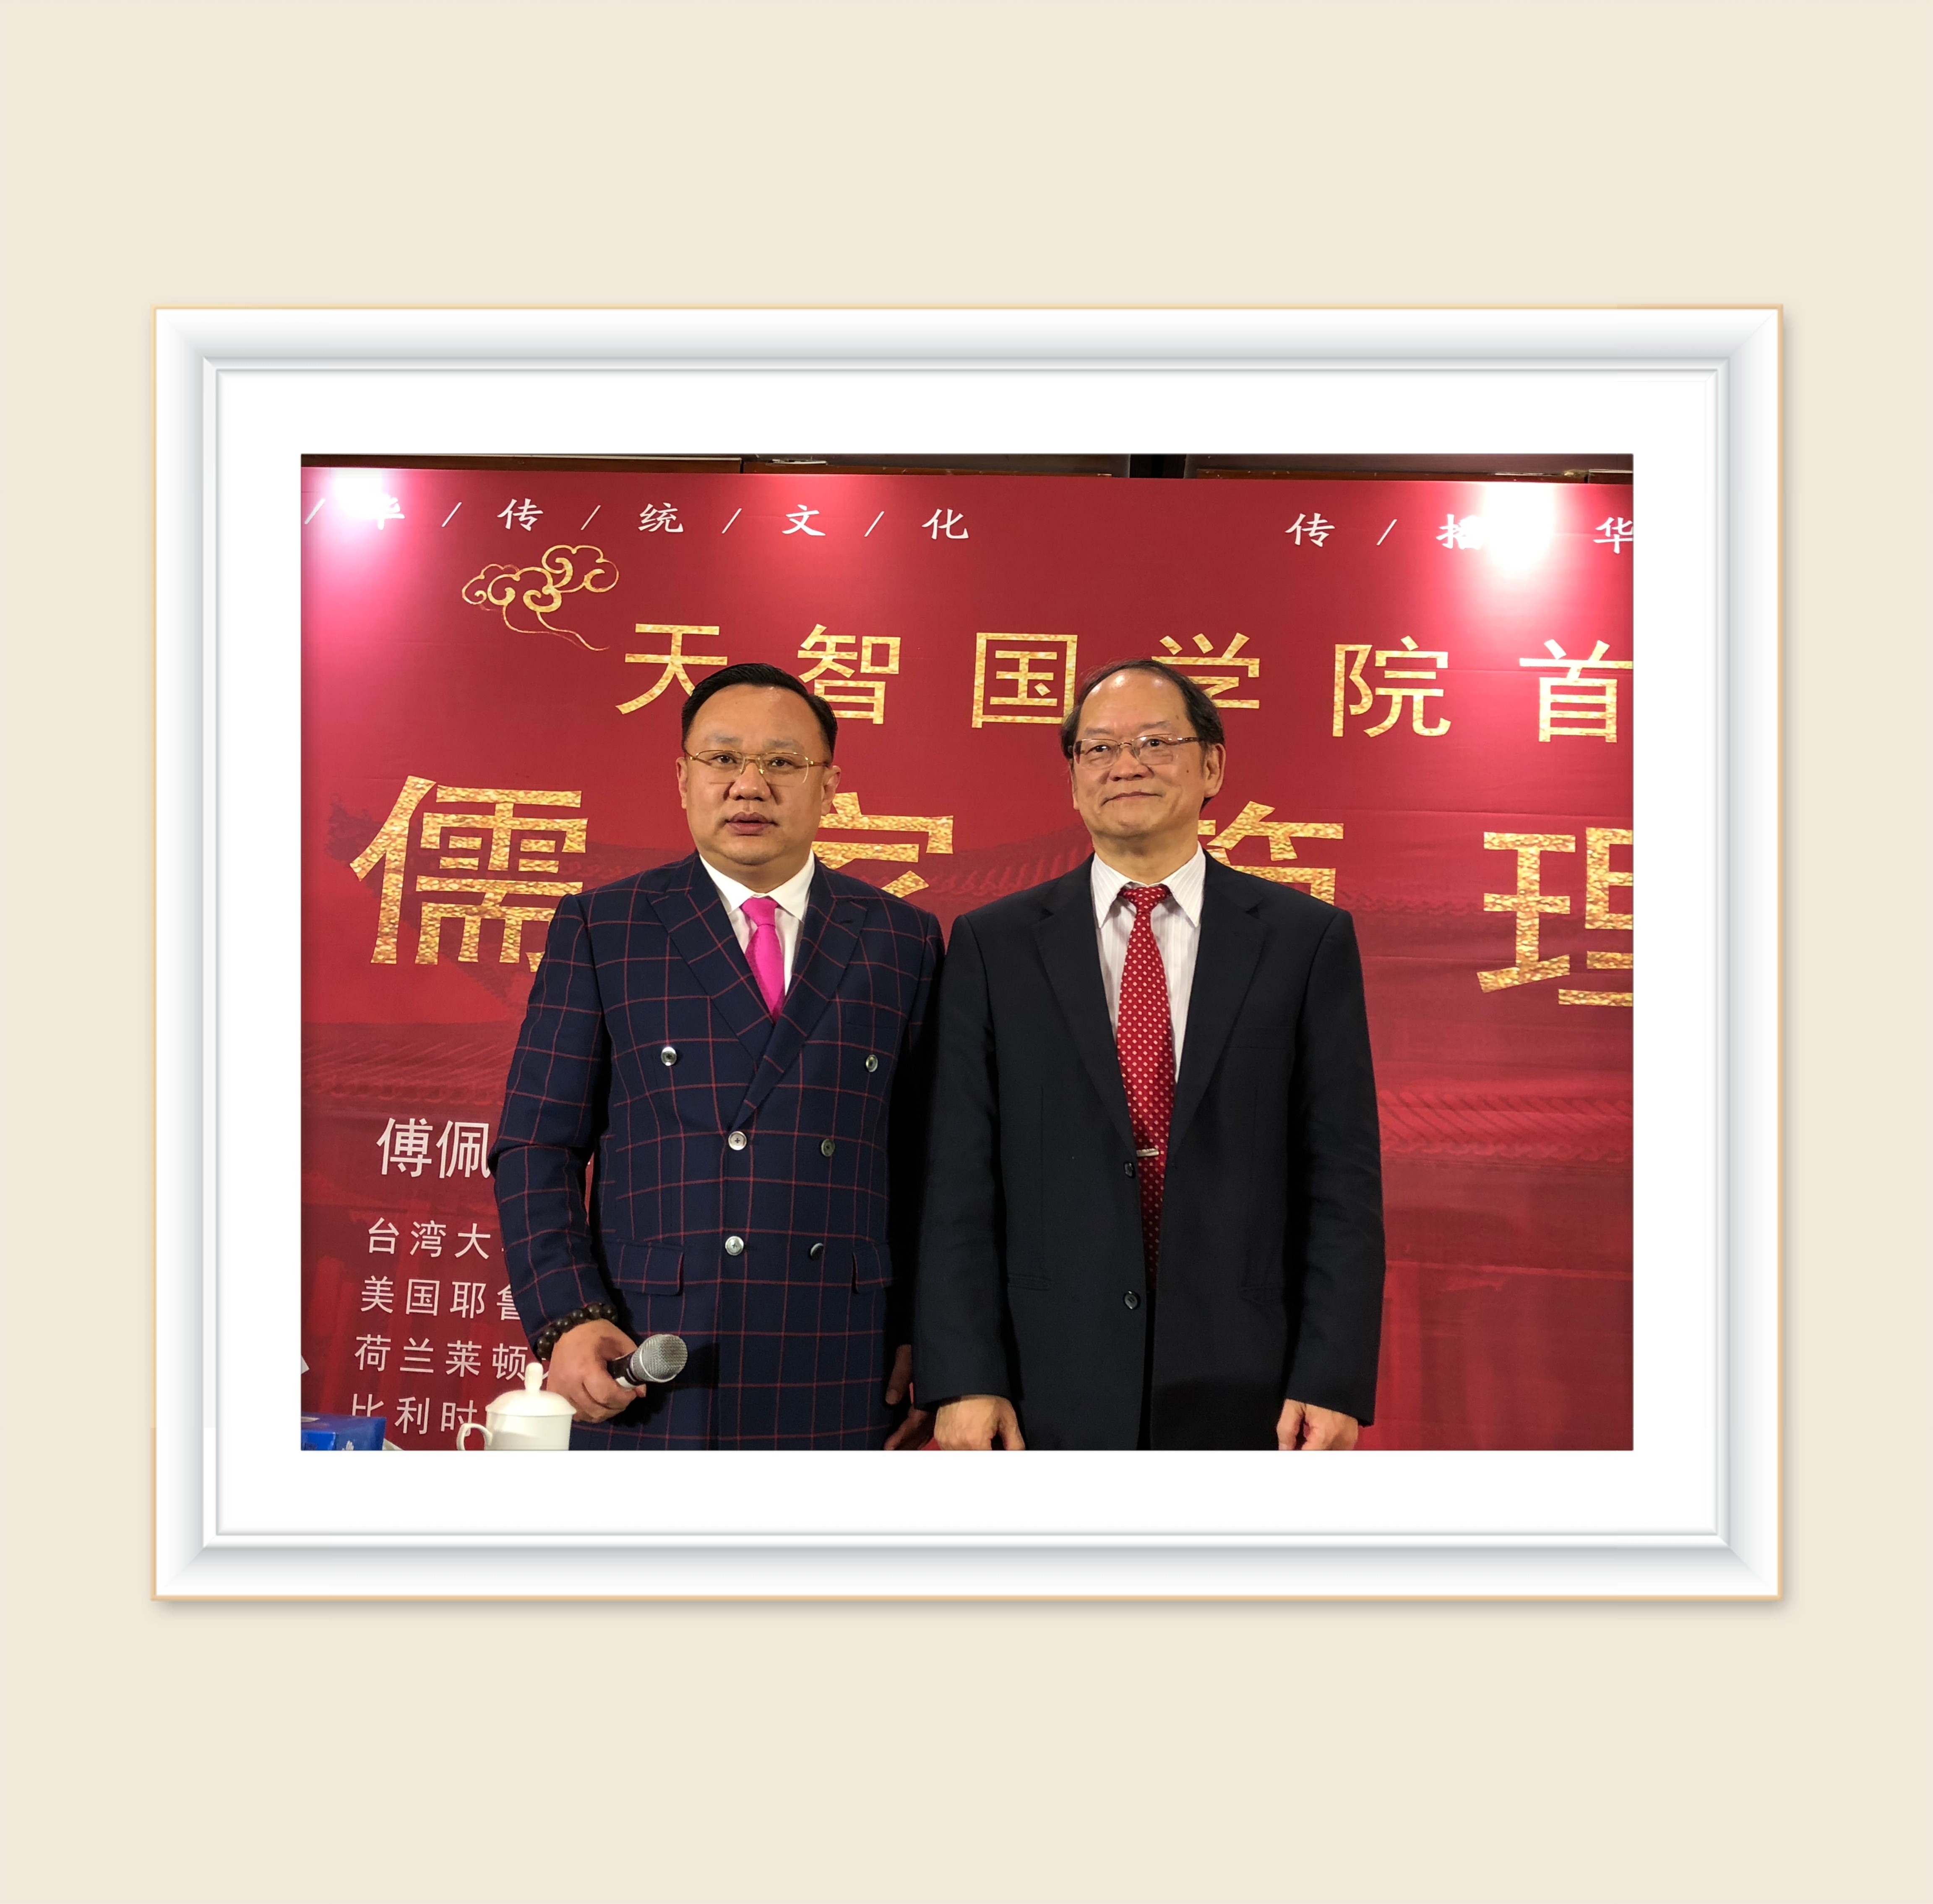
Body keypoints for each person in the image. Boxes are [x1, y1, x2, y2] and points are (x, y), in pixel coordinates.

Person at [915, 658, 1384, 1451]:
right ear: (1073, 780)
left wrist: (1330, 1376)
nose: (1125, 765)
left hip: (1250, 1378)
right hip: (1042, 1379)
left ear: (1212, 766)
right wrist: (965, 1375)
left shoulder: (1304, 942)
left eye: (1156, 742)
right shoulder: (995, 946)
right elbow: (959, 1179)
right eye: (1098, 748)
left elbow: (1342, 1179)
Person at [490, 662, 943, 1448]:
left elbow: (928, 1163)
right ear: (683, 777)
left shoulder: (901, 938)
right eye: (724, 758)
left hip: (844, 1350)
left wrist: (924, 1332)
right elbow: (538, 1143)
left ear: (829, 785)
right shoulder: (607, 926)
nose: (749, 785)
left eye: (782, 762)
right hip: (648, 1346)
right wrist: (569, 1316)